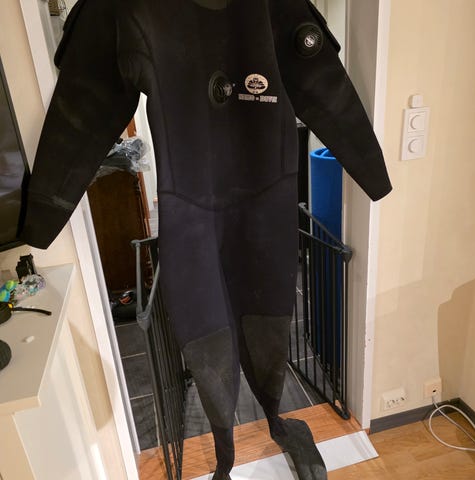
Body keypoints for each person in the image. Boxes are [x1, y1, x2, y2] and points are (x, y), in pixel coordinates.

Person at [21, 1, 392, 478]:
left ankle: (275, 421)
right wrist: (43, 217)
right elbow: (83, 109)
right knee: (206, 331)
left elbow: (325, 86)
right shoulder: (124, 9)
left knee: (268, 318)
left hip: (265, 202)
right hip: (190, 210)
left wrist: (372, 172)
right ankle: (224, 456)